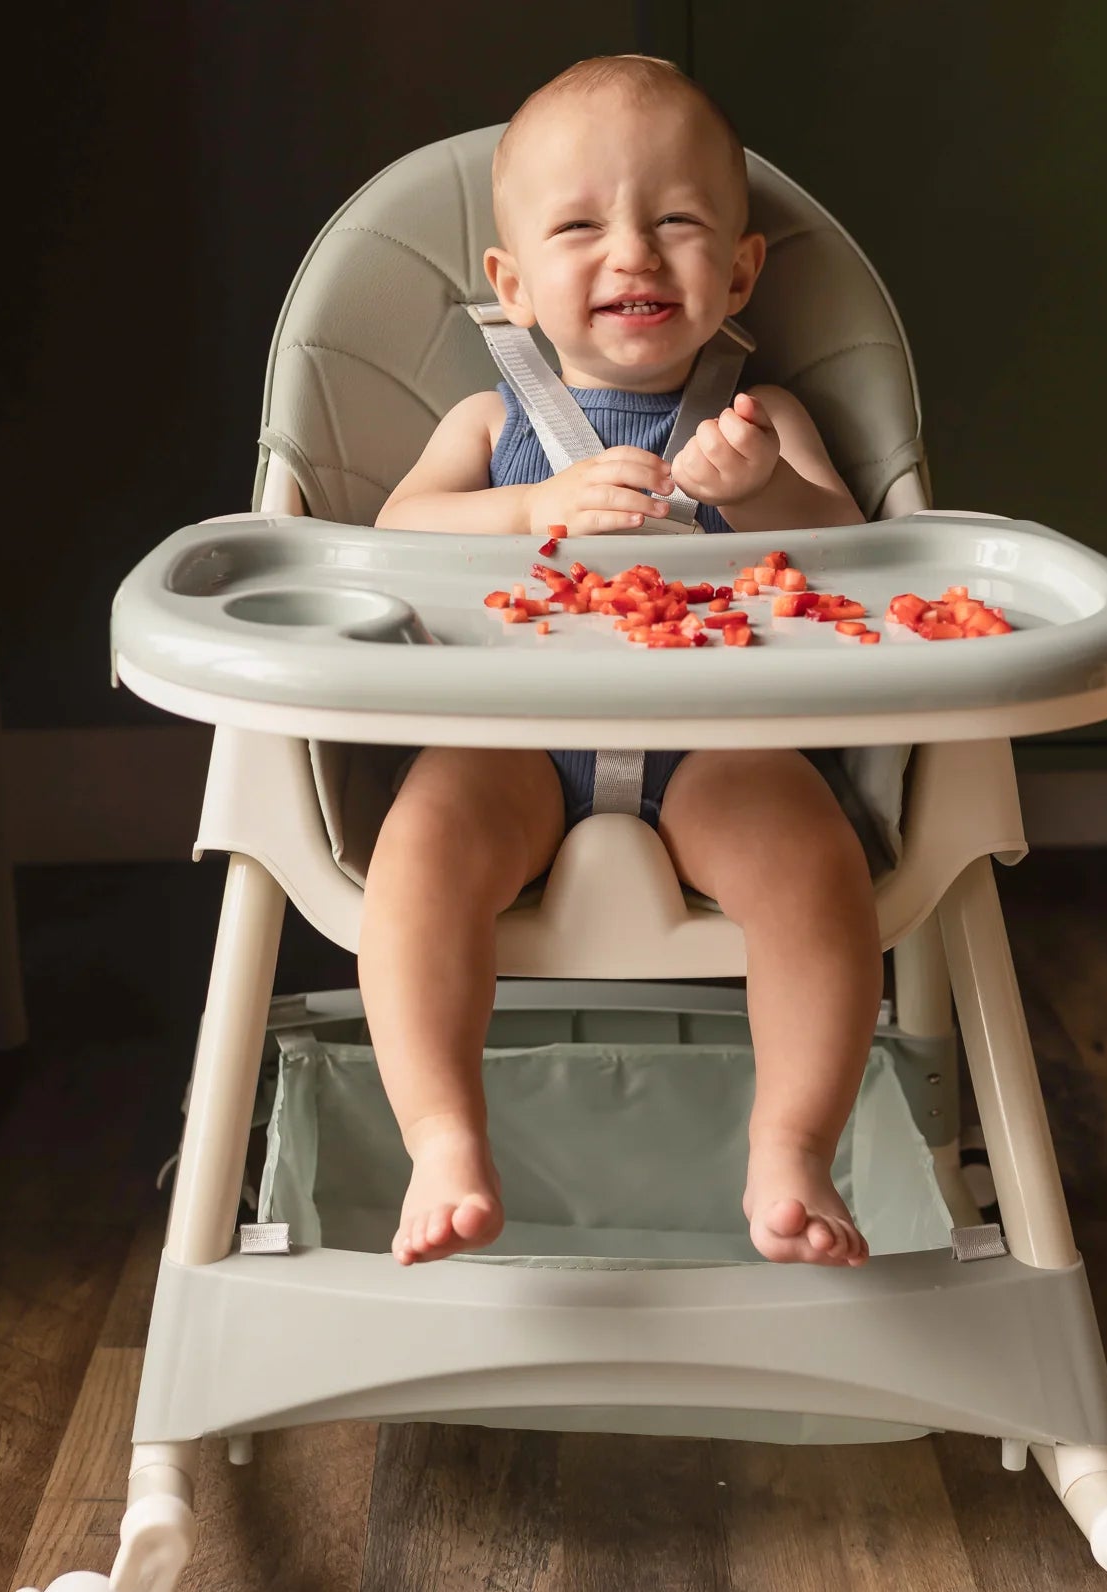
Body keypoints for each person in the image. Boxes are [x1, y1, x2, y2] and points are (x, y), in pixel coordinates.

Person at [366, 54, 879, 1268]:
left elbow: (858, 558)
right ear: (513, 283)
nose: (635, 253)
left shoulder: (761, 417)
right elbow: (391, 536)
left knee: (816, 866)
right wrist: (527, 506)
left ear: (742, 268)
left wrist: (760, 498)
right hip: (515, 741)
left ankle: (792, 1146)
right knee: (421, 851)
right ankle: (441, 1135)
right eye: (582, 225)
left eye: (680, 221)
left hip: (720, 742)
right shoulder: (488, 427)